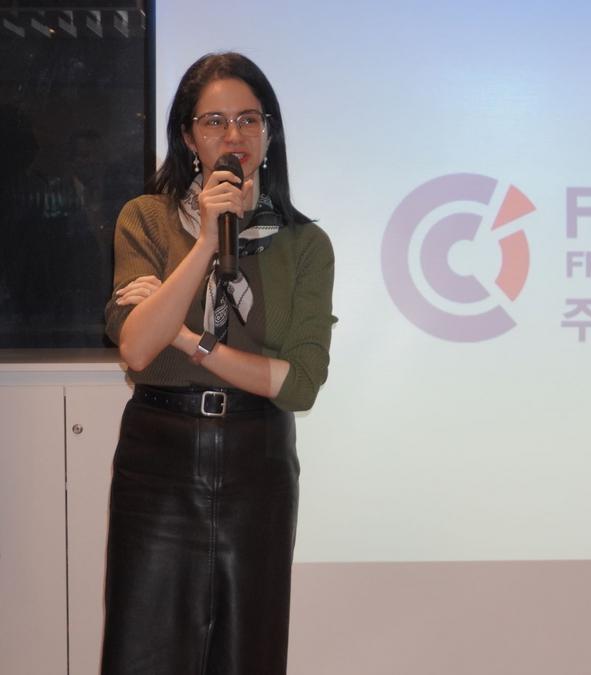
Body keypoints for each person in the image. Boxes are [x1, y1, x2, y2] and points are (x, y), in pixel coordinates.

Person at [100, 52, 334, 675]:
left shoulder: (306, 245)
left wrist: (187, 339)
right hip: (159, 459)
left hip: (259, 463)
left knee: (247, 653)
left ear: (269, 133)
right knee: (144, 651)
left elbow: (298, 385)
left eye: (249, 120)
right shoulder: (146, 220)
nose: (234, 136)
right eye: (214, 122)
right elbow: (136, 347)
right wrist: (207, 238)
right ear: (188, 138)